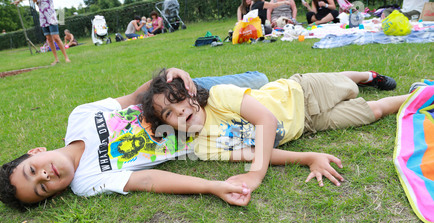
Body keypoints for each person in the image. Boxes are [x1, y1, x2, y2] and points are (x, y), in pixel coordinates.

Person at [0, 69, 270, 211]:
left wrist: (168, 75)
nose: (44, 175)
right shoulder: (85, 182)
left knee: (260, 81)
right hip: (197, 131)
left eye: (33, 170)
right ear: (54, 194)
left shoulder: (79, 117)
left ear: (35, 152)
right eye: (43, 188)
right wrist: (212, 187)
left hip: (177, 98)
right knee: (270, 129)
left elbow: (134, 98)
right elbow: (148, 180)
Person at [140, 68, 405, 193]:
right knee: (376, 112)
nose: (179, 112)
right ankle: (422, 95)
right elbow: (255, 151)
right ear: (168, 124)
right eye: (168, 114)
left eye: (178, 102)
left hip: (303, 92)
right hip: (307, 126)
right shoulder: (200, 147)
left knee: (353, 87)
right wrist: (308, 157)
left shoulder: (220, 96)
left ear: (190, 93)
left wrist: (256, 175)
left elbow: (265, 120)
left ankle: (366, 75)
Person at [12, 0, 70, 65]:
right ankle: (56, 59)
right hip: (43, 19)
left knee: (56, 38)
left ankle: (66, 57)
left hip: (51, 17)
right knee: (49, 39)